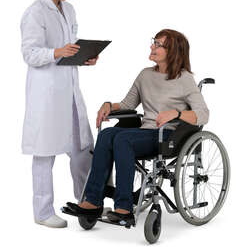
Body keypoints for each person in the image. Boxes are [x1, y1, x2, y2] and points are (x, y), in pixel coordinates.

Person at [63, 29, 209, 225]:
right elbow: (127, 105)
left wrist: (177, 113)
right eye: (153, 42)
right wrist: (108, 105)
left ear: (173, 50)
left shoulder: (184, 79)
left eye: (158, 44)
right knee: (107, 134)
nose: (152, 47)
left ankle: (124, 208)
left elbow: (203, 114)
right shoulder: (145, 74)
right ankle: (92, 202)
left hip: (168, 136)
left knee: (123, 139)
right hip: (144, 132)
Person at [20, 0, 98, 228]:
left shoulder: (70, 9)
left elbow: (71, 47)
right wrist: (56, 52)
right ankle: (42, 212)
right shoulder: (34, 13)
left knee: (82, 147)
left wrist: (83, 57)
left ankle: (87, 201)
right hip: (47, 93)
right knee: (45, 152)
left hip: (70, 89)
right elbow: (29, 53)